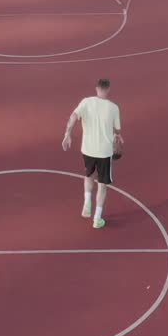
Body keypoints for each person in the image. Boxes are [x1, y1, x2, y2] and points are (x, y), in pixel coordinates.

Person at [62, 78, 123, 229]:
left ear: (96, 88)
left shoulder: (86, 102)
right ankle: (97, 219)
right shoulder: (113, 107)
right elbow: (117, 130)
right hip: (104, 151)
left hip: (88, 149)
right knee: (102, 185)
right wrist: (117, 136)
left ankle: (87, 201)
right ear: (108, 89)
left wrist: (67, 134)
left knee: (89, 175)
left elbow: (72, 117)